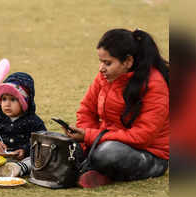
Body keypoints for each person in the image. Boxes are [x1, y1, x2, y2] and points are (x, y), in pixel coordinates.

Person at [64, 28, 169, 188]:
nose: (101, 68)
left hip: (148, 154)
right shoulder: (105, 77)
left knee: (107, 154)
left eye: (107, 63)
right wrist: (86, 141)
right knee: (62, 144)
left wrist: (90, 137)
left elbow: (142, 136)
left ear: (127, 61)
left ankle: (97, 169)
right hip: (105, 140)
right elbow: (86, 110)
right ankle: (96, 170)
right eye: (100, 61)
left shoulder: (154, 84)